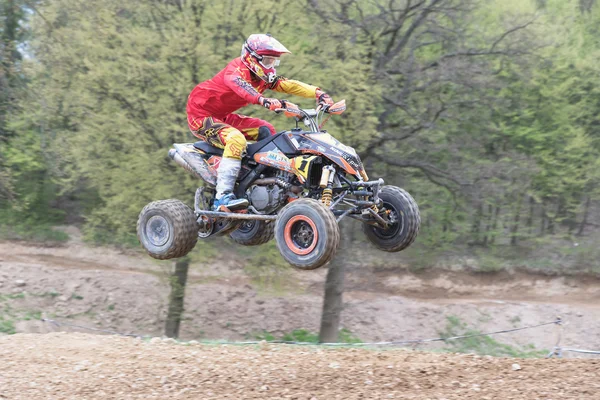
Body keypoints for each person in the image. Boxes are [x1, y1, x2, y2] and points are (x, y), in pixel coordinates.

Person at [186, 33, 334, 211]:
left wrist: (318, 93)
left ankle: (268, 184)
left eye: (274, 62)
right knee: (236, 139)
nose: (271, 66)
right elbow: (242, 87)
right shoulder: (236, 71)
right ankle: (222, 197)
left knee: (267, 130)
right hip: (201, 115)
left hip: (223, 115)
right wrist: (264, 100)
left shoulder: (262, 77)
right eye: (268, 61)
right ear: (252, 58)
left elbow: (288, 85)